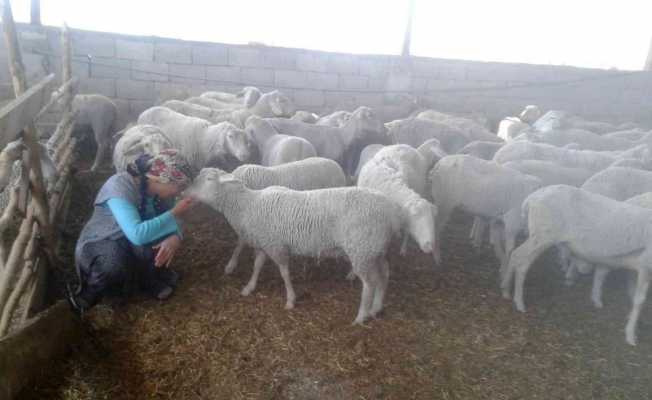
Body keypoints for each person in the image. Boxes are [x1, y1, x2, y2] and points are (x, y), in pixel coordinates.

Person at [67, 149, 196, 315]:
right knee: (112, 265)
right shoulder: (119, 186)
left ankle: (147, 279)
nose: (179, 192)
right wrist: (174, 213)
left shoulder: (159, 192)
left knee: (160, 238)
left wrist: (175, 237)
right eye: (178, 186)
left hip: (131, 241)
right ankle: (88, 295)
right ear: (161, 178)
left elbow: (174, 221)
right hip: (102, 241)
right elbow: (138, 233)